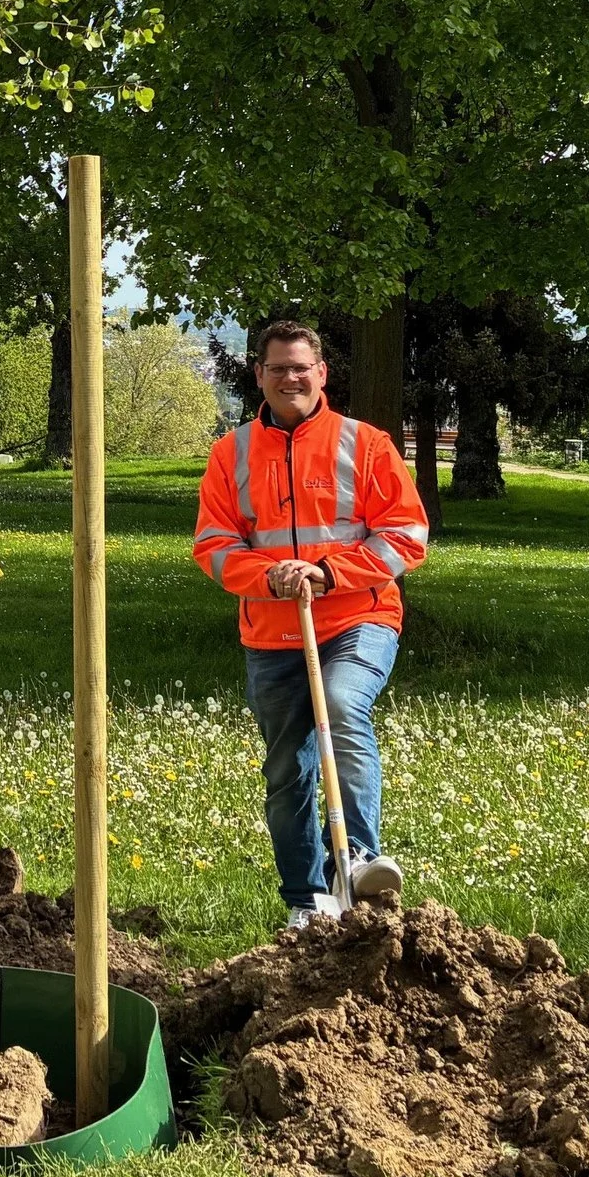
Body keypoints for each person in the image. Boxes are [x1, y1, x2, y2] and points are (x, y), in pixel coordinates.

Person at [194, 320, 431, 929]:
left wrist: (328, 573)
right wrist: (269, 575)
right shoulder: (232, 454)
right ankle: (306, 900)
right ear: (260, 377)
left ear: (322, 374)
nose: (291, 378)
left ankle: (357, 861)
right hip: (272, 632)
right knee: (286, 767)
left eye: (302, 367)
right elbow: (213, 545)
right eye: (278, 369)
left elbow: (406, 535)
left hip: (360, 616)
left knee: (345, 706)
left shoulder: (366, 444)